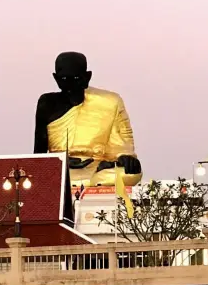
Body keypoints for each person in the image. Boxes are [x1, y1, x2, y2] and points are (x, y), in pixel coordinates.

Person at [34, 51, 142, 188]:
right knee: (40, 177)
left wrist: (125, 159)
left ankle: (89, 183)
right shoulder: (47, 104)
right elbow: (38, 159)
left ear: (87, 77)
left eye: (76, 78)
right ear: (56, 78)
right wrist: (61, 162)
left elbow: (122, 146)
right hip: (61, 170)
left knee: (129, 173)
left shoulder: (110, 102)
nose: (70, 86)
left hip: (98, 168)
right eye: (64, 80)